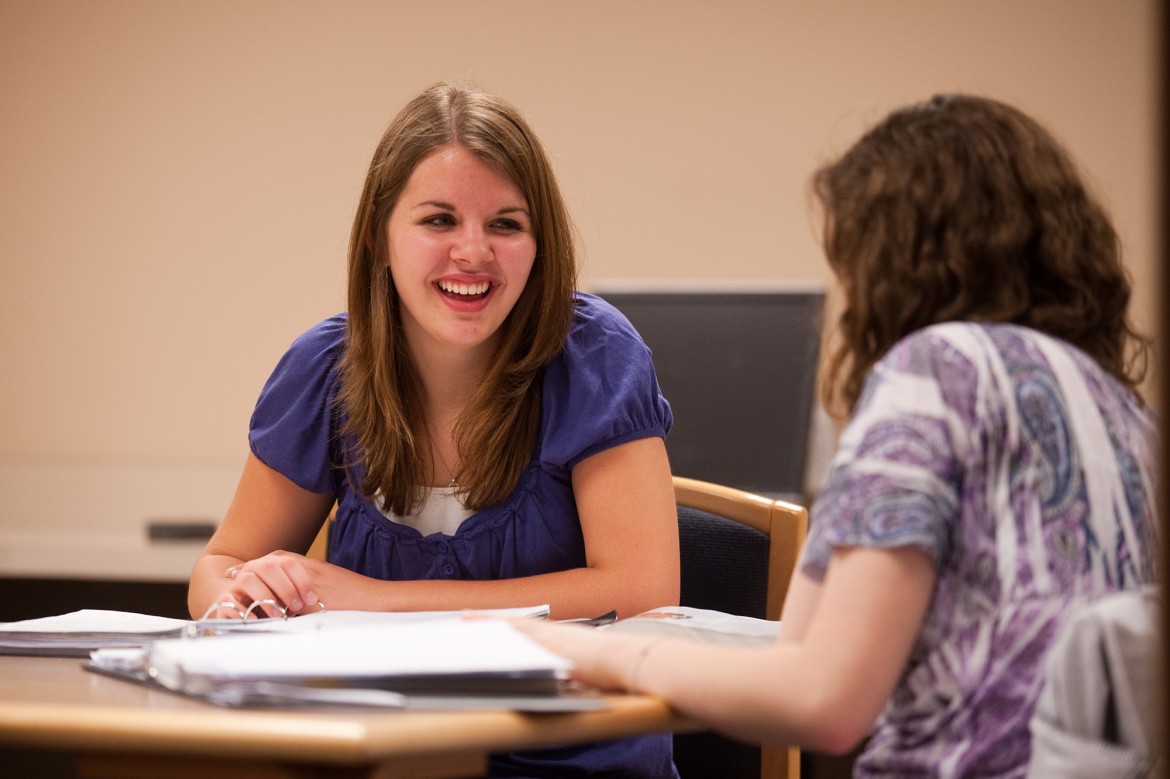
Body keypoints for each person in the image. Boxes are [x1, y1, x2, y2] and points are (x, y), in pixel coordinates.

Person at [522, 94, 1159, 777]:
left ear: (901, 257)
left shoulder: (938, 371)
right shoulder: (1122, 409)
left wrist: (596, 649)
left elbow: (824, 700)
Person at [188, 81, 681, 778]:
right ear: (378, 240)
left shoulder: (595, 355)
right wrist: (248, 601)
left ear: (540, 245)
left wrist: (370, 600)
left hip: (568, 760)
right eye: (439, 220)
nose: (473, 251)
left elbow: (641, 592)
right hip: (381, 755)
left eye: (506, 224)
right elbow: (218, 566)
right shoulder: (323, 369)